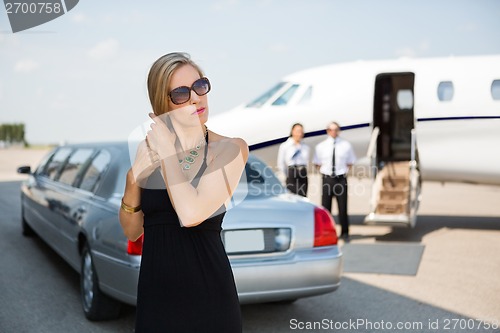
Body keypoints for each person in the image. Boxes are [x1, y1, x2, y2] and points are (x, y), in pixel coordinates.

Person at [119, 52, 248, 333]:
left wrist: (167, 153)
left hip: (209, 300)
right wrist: (133, 177)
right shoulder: (150, 148)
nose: (195, 98)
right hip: (155, 297)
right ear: (162, 103)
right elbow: (132, 231)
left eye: (200, 86)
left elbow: (190, 215)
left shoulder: (230, 149)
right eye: (180, 92)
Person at [313, 122, 356, 240]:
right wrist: (327, 173)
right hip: (327, 179)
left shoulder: (346, 145)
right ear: (327, 131)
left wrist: (341, 171)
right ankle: (326, 232)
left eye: (336, 129)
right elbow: (317, 163)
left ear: (339, 130)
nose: (334, 132)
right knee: (326, 208)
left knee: (343, 207)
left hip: (341, 179)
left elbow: (350, 162)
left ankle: (345, 232)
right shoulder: (321, 146)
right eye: (331, 129)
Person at [277, 123, 310, 197]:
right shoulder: (285, 146)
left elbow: (306, 161)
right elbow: (281, 163)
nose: (300, 134)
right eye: (298, 131)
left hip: (302, 173)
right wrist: (287, 175)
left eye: (301, 132)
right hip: (291, 172)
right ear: (292, 132)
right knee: (291, 196)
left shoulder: (305, 147)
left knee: (303, 196)